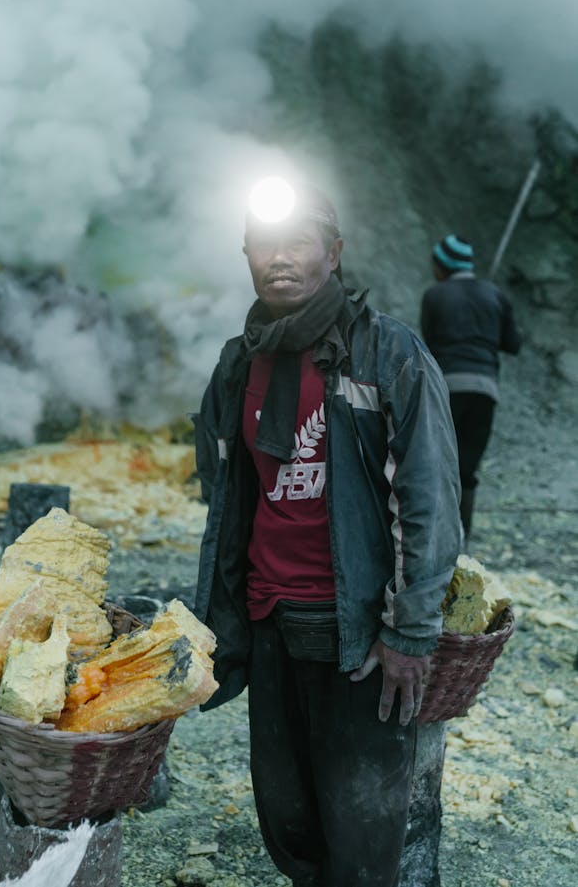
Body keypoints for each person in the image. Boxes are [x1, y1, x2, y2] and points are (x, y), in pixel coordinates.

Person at [193, 182, 461, 887]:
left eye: (299, 243)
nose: (280, 259)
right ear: (246, 254)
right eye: (265, 244)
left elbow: (430, 497)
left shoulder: (387, 353)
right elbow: (221, 489)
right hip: (273, 626)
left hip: (360, 638)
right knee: (290, 824)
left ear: (334, 253)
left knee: (363, 836)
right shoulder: (238, 363)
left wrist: (409, 633)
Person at [420, 234, 521, 542]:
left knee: (438, 461)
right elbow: (513, 344)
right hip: (485, 389)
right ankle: (464, 540)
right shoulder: (494, 295)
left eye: (434, 265)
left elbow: (430, 344)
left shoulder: (435, 295)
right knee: (468, 467)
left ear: (443, 266)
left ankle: (436, 536)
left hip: (448, 387)